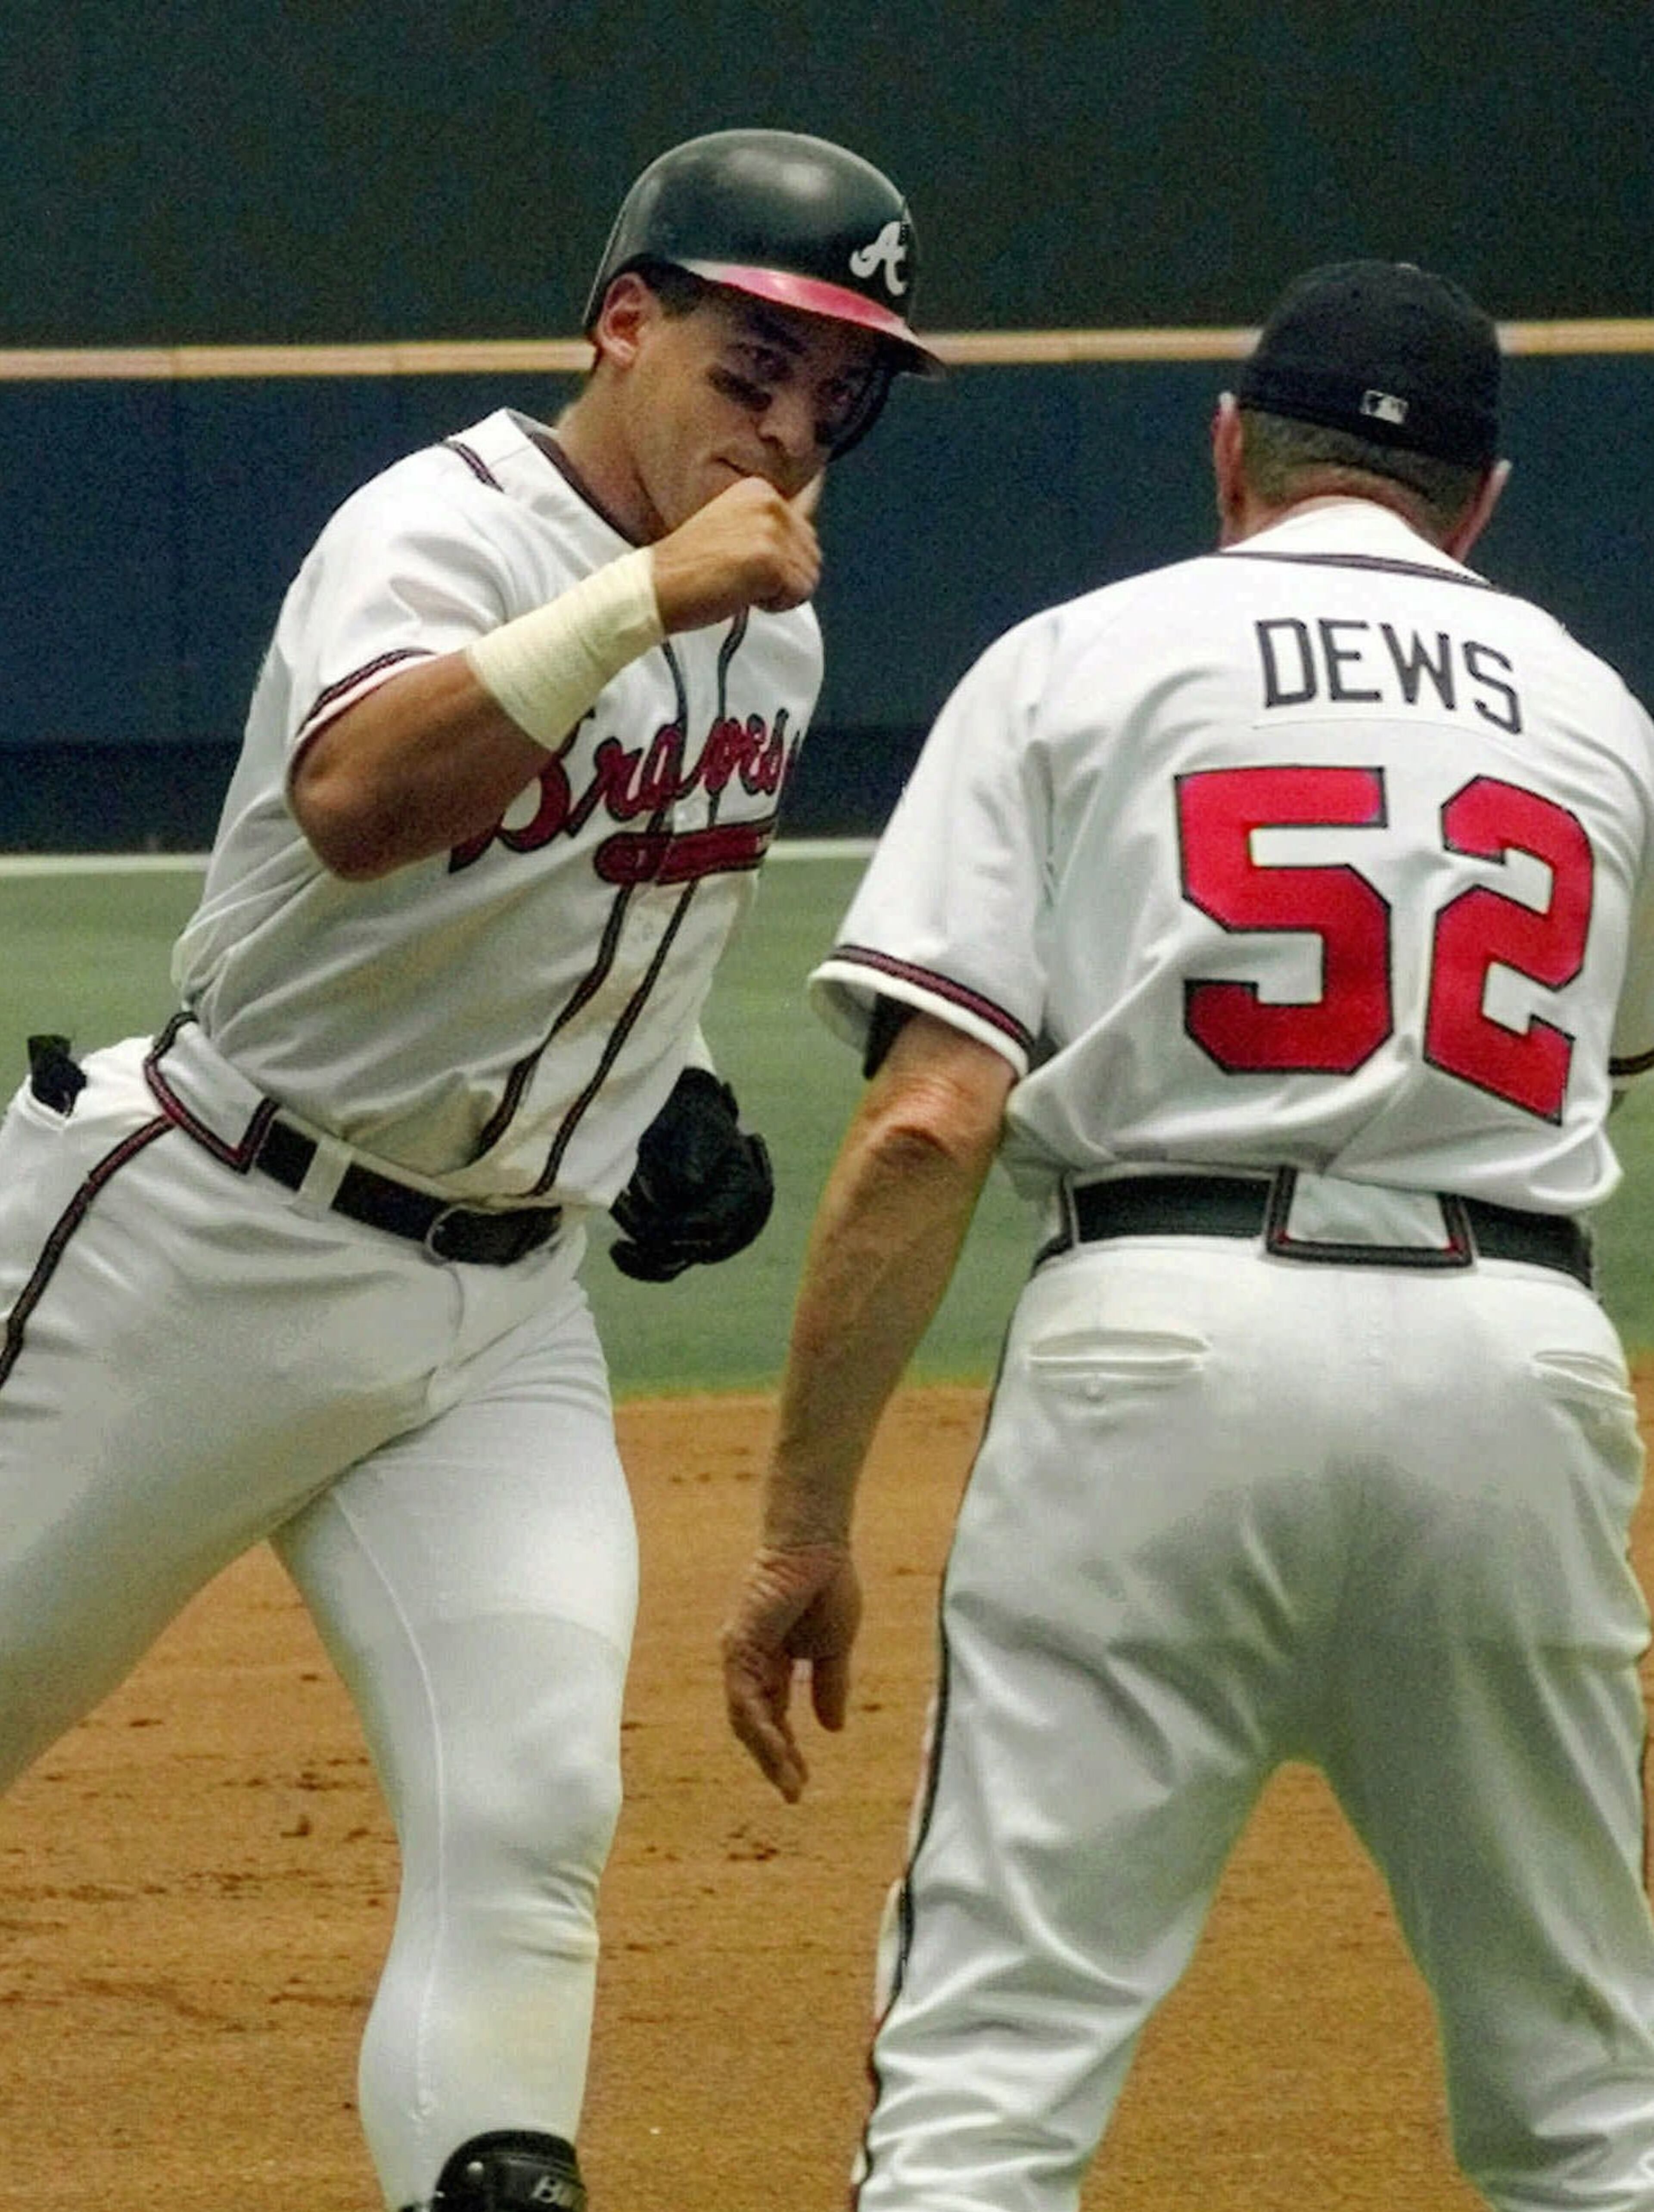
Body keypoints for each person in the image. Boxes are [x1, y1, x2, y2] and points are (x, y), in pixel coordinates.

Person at [0, 128, 938, 2212]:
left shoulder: (761, 623)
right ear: (626, 322)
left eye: (840, 383)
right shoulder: (445, 527)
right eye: (752, 357)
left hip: (497, 1315)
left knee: (530, 1809)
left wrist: (669, 1090)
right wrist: (636, 597)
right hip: (201, 1239)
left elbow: (604, 896)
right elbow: (353, 800)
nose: (794, 417)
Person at [721, 259, 1654, 2211]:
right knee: (1591, 2111)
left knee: (985, 2098)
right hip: (1518, 1365)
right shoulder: (1598, 712)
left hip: (1163, 1352)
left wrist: (806, 1522)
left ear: (1230, 451)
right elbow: (1596, 1062)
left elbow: (923, 1126)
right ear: (1477, 505)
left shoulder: (1078, 658)